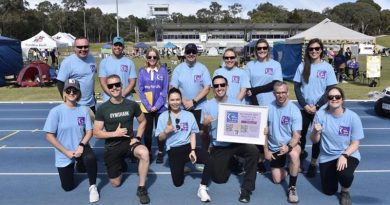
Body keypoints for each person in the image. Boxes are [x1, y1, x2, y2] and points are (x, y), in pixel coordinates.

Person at [198, 75, 259, 203]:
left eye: (222, 85)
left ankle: (246, 189)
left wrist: (260, 129)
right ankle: (233, 161)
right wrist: (205, 124)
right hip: (219, 146)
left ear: (227, 86)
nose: (219, 88)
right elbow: (203, 133)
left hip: (236, 143)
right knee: (219, 179)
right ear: (213, 88)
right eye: (216, 86)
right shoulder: (207, 106)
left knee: (253, 151)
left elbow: (247, 124)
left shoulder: (236, 103)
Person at [93, 74, 150, 204]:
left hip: (129, 143)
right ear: (107, 88)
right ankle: (121, 161)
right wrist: (115, 133)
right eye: (110, 86)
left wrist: (138, 137)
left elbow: (143, 121)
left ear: (121, 85)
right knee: (115, 183)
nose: (114, 88)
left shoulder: (132, 104)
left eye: (117, 84)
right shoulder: (103, 108)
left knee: (145, 153)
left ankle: (141, 188)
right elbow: (96, 133)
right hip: (112, 147)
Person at [43, 79, 99, 203]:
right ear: (64, 92)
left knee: (91, 158)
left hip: (81, 147)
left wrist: (81, 145)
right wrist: (67, 152)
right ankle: (75, 164)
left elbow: (89, 131)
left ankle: (93, 187)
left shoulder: (84, 110)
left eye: (75, 90)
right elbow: (49, 136)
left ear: (79, 93)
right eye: (69, 90)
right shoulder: (55, 112)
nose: (72, 92)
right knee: (68, 187)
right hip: (65, 152)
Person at [310, 87, 364, 205]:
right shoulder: (320, 115)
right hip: (327, 156)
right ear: (327, 100)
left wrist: (344, 155)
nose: (334, 99)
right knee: (329, 191)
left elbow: (355, 143)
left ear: (342, 99)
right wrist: (315, 131)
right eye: (331, 97)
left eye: (337, 97)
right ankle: (334, 172)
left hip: (348, 153)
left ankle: (345, 191)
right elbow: (314, 141)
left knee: (345, 175)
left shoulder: (353, 117)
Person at [293, 38, 338, 178]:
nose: (314, 51)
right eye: (311, 49)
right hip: (304, 109)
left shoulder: (327, 67)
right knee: (300, 137)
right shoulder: (302, 66)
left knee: (317, 138)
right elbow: (296, 87)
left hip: (322, 109)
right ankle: (299, 161)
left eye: (317, 49)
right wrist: (305, 105)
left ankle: (313, 163)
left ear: (321, 50)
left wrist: (317, 105)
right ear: (308, 51)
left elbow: (330, 89)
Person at [155, 87, 210, 190]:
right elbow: (160, 138)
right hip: (174, 150)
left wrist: (193, 150)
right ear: (168, 100)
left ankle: (203, 186)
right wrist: (166, 131)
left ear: (181, 100)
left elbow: (193, 133)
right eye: (172, 100)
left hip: (188, 147)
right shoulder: (163, 116)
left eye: (177, 99)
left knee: (210, 159)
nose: (175, 102)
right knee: (178, 183)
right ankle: (182, 166)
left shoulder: (189, 115)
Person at [245, 38, 283, 174]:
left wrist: (255, 90)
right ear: (256, 50)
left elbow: (275, 84)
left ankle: (276, 157)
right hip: (254, 103)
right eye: (259, 48)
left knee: (272, 132)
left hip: (272, 104)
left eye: (264, 48)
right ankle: (260, 159)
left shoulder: (275, 65)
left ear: (268, 50)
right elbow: (247, 85)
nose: (262, 51)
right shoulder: (250, 65)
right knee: (257, 134)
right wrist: (254, 101)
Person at [264, 81, 302, 203]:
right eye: (278, 93)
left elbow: (296, 136)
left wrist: (289, 147)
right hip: (274, 146)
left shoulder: (294, 110)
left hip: (290, 144)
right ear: (273, 94)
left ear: (288, 93)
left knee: (294, 154)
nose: (281, 95)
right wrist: (266, 150)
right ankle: (290, 168)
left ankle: (292, 187)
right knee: (276, 179)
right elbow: (263, 133)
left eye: (283, 92)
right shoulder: (268, 108)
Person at [170, 43, 212, 150]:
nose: (191, 54)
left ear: (197, 53)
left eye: (193, 52)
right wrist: (184, 102)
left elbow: (207, 88)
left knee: (203, 132)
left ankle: (205, 153)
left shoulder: (202, 68)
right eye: (188, 52)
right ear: (184, 54)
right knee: (183, 132)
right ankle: (185, 154)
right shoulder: (178, 69)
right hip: (183, 107)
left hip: (200, 107)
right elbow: (173, 87)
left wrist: (193, 101)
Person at [137, 48, 169, 163]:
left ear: (157, 58)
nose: (152, 59)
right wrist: (148, 106)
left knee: (160, 131)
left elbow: (165, 90)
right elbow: (140, 90)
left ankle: (160, 152)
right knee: (148, 131)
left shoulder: (163, 71)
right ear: (146, 58)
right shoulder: (142, 71)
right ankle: (149, 152)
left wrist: (157, 105)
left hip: (160, 108)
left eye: (154, 57)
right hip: (147, 108)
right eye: (149, 57)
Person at [57, 37, 97, 112]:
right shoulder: (67, 62)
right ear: (74, 48)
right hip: (75, 105)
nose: (83, 49)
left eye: (86, 46)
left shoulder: (92, 58)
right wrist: (67, 101)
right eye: (80, 47)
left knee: (93, 124)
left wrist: (93, 96)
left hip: (91, 105)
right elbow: (60, 83)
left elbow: (90, 79)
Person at [99, 36, 137, 102]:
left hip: (126, 99)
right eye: (116, 45)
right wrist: (112, 95)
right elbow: (103, 82)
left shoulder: (130, 62)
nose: (118, 47)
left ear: (123, 47)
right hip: (109, 99)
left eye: (120, 45)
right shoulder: (104, 62)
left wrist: (122, 95)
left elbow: (132, 82)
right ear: (112, 46)